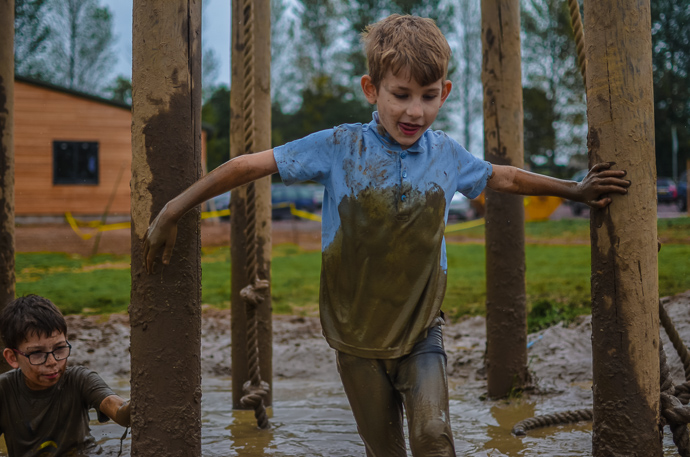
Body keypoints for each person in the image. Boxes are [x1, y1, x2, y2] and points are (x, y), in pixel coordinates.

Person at [143, 14, 630, 457]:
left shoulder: (447, 155)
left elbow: (507, 178)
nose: (414, 111)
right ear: (371, 89)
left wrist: (578, 190)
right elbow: (245, 166)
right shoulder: (338, 146)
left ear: (445, 91)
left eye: (428, 95)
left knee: (434, 436)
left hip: (421, 331)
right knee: (387, 451)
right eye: (401, 94)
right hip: (354, 337)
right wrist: (174, 208)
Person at [0, 294, 131, 456]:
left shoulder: (80, 379)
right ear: (12, 358)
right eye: (37, 353)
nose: (52, 361)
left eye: (60, 349)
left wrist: (138, 402)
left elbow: (119, 410)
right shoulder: (4, 390)